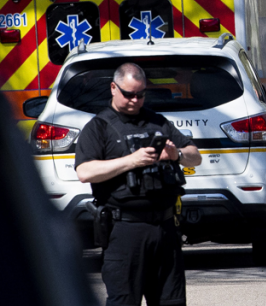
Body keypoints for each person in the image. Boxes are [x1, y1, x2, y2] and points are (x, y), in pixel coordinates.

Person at [75, 63, 202, 306]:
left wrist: (177, 155)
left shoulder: (157, 122)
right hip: (124, 230)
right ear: (113, 88)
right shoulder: (98, 128)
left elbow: (195, 156)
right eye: (129, 94)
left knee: (172, 301)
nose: (135, 100)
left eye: (141, 94)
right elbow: (85, 171)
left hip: (165, 228)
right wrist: (131, 161)